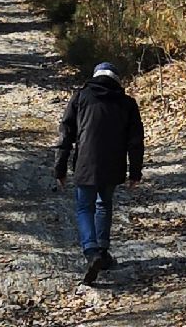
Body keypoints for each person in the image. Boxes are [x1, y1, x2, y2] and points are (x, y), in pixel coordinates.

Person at [55, 62, 144, 284]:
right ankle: (102, 252)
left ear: (95, 76)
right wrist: (135, 172)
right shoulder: (127, 103)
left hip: (85, 163)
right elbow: (135, 141)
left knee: (85, 207)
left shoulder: (81, 97)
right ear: (117, 79)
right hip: (113, 164)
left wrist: (60, 167)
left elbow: (65, 133)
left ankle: (91, 251)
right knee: (104, 204)